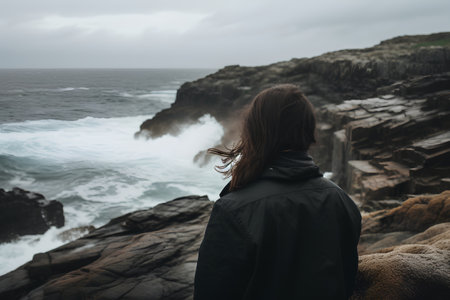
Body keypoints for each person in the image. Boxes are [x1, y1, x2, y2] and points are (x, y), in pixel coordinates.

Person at [194, 84, 361, 300]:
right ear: (309, 132)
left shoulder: (234, 209)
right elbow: (346, 282)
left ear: (255, 130)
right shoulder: (341, 201)